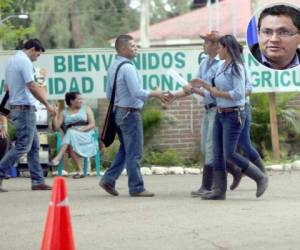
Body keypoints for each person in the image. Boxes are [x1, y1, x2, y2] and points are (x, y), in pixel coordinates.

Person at [192, 35, 268, 200]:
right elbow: (214, 89)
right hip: (220, 112)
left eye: (220, 47)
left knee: (230, 153)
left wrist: (216, 92)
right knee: (218, 153)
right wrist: (204, 85)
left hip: (234, 113)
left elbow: (239, 93)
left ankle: (260, 176)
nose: (218, 50)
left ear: (226, 48)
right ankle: (219, 190)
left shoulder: (237, 67)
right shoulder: (221, 66)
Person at [168, 31, 242, 197]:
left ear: (217, 46)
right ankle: (235, 170)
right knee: (206, 147)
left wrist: (194, 89)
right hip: (208, 110)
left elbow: (213, 92)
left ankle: (207, 186)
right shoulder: (204, 63)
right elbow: (193, 86)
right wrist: (175, 95)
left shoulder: (220, 66)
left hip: (217, 108)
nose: (204, 44)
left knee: (210, 148)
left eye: (208, 42)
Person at [99, 34, 170, 197]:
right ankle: (136, 187)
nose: (136, 48)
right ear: (123, 49)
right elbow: (137, 92)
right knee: (135, 152)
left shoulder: (114, 66)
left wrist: (120, 103)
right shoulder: (128, 68)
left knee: (126, 150)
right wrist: (156, 93)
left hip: (118, 113)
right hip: (130, 114)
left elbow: (109, 94)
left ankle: (108, 179)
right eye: (133, 46)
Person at [0, 38, 56, 192]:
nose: (36, 58)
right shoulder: (24, 62)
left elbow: (6, 87)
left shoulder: (12, 61)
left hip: (18, 107)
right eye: (37, 55)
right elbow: (31, 86)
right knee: (23, 145)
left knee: (34, 147)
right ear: (31, 49)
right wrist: (47, 104)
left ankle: (37, 181)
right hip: (24, 108)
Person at [51, 92, 98, 179]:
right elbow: (56, 128)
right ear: (71, 101)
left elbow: (92, 125)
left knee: (70, 132)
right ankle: (80, 171)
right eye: (79, 99)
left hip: (86, 134)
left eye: (81, 99)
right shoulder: (64, 112)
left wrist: (79, 130)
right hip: (72, 138)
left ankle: (58, 158)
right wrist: (55, 115)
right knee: (70, 139)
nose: (81, 101)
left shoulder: (86, 109)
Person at [250, 4, 300, 70]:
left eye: (283, 32)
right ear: (258, 34)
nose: (274, 39)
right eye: (267, 32)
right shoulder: (242, 61)